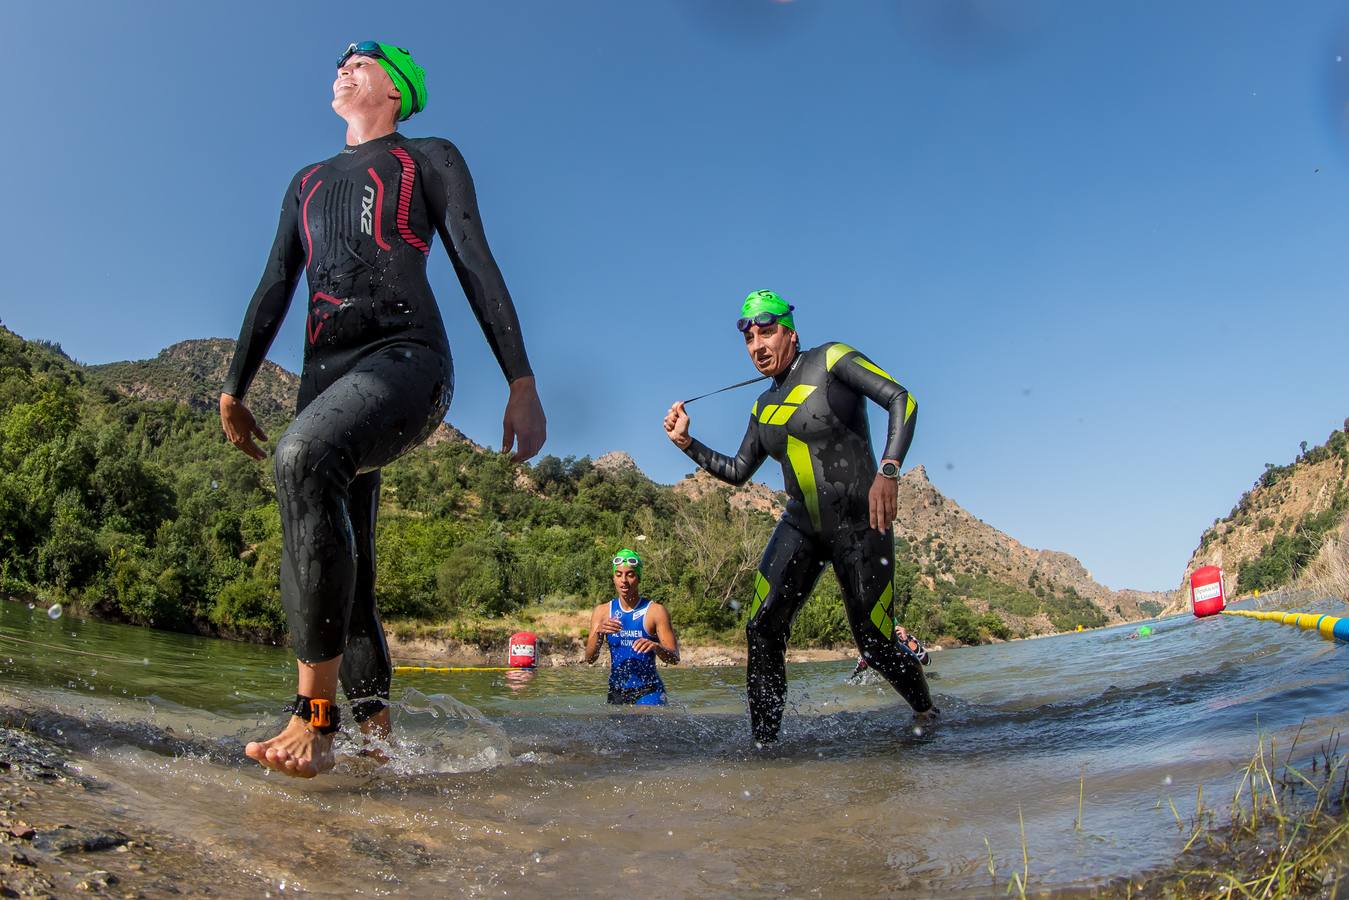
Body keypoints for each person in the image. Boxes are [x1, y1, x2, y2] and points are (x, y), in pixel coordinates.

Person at [219, 41, 546, 777]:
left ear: (394, 90)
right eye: (339, 59)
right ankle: (376, 742)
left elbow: (474, 259)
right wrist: (233, 387)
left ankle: (314, 716)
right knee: (352, 568)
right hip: (322, 379)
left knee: (301, 456)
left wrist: (519, 380)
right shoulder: (304, 181)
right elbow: (274, 284)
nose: (343, 64)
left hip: (407, 360)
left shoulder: (427, 155)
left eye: (362, 59)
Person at [663, 290, 935, 743]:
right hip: (801, 525)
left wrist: (889, 469)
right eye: (749, 338)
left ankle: (926, 711)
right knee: (761, 627)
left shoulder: (832, 359)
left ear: (790, 332)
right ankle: (765, 744)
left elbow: (901, 400)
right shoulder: (761, 407)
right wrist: (687, 444)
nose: (757, 345)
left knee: (873, 642)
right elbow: (736, 471)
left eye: (766, 332)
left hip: (860, 523)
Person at [584, 549, 679, 704]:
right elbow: (590, 659)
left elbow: (674, 659)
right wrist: (599, 633)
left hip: (649, 691)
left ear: (639, 578)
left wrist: (656, 647)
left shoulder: (655, 611)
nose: (624, 580)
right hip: (616, 692)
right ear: (613, 578)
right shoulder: (602, 612)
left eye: (630, 574)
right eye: (619, 574)